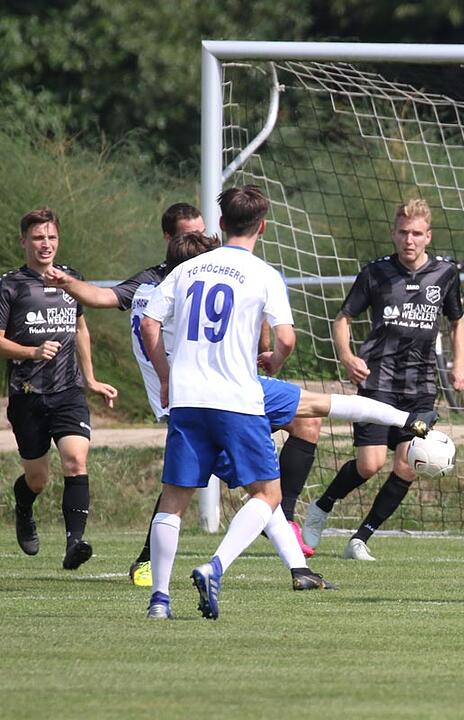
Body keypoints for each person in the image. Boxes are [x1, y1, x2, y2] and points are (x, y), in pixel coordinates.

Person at [44, 202, 326, 577]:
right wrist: (69, 284)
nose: (199, 239)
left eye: (201, 231)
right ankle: (164, 562)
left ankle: (293, 554)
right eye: (188, 234)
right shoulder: (159, 281)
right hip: (197, 395)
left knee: (294, 438)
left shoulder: (214, 270)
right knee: (230, 486)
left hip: (212, 391)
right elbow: (104, 298)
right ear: (168, 238)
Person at [140, 185, 297, 620]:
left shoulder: (188, 268)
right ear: (262, 227)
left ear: (222, 223)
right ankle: (215, 566)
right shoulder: (264, 273)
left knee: (174, 499)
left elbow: (150, 324)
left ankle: (159, 600)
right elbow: (285, 338)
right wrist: (275, 360)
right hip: (237, 399)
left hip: (188, 398)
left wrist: (166, 375)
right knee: (267, 494)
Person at [303, 198, 464, 561]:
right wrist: (348, 357)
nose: (409, 240)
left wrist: (460, 366)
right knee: (370, 464)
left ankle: (360, 540)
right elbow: (343, 318)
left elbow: (458, 322)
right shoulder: (376, 272)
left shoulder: (445, 273)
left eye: (416, 233)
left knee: (409, 464)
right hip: (378, 382)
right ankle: (321, 507)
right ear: (394, 234)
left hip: (421, 388)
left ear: (428, 236)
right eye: (403, 232)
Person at [0, 208, 117, 570]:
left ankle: (74, 543)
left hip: (69, 391)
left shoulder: (71, 279)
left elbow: (80, 329)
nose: (46, 244)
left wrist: (91, 379)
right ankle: (24, 505)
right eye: (38, 237)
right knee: (37, 479)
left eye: (51, 237)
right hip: (27, 395)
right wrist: (31, 352)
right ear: (24, 241)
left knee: (76, 460)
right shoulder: (10, 285)